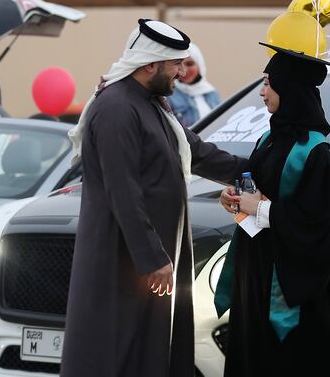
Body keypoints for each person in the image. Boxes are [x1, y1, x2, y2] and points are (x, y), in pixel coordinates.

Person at [60, 19, 247, 377]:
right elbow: (123, 190)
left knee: (150, 354)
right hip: (122, 261)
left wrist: (261, 168)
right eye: (175, 64)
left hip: (149, 262)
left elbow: (200, 153)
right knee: (117, 355)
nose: (181, 72)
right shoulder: (117, 107)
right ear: (150, 64)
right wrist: (151, 259)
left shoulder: (151, 105)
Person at [215, 43, 330, 377]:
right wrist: (234, 200)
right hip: (256, 274)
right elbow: (256, 196)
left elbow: (319, 226)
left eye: (268, 83)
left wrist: (261, 209)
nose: (262, 92)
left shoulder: (315, 151)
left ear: (287, 88)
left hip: (291, 282)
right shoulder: (268, 140)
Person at [168, 43, 221, 127]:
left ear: (200, 64)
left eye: (190, 64)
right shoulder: (169, 96)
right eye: (179, 64)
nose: (184, 70)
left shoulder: (211, 92)